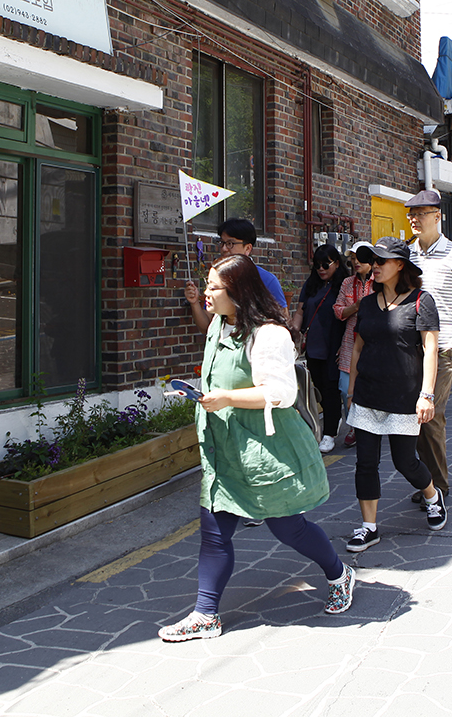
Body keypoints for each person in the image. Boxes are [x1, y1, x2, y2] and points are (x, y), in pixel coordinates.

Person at [158, 255, 352, 641]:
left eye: (214, 286)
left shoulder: (269, 335)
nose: (207, 292)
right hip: (224, 446)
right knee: (214, 532)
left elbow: (281, 392)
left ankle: (338, 573)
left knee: (288, 528)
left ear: (238, 291)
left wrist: (227, 397)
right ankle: (205, 614)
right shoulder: (218, 324)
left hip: (265, 448)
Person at [345, 237, 445, 550]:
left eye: (381, 261)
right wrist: (350, 391)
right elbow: (358, 346)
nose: (373, 266)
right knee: (365, 463)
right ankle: (369, 526)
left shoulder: (421, 301)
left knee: (405, 462)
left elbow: (430, 349)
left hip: (405, 395)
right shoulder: (365, 305)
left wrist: (426, 394)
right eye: (372, 261)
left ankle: (432, 495)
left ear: (400, 265)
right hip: (368, 393)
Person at [404, 189, 452, 509]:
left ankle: (439, 486)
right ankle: (426, 481)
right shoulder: (407, 254)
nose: (414, 219)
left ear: (437, 216)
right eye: (411, 214)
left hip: (444, 347)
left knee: (431, 414)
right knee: (414, 416)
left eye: (420, 213)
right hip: (410, 345)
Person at [289, 244, 348, 452]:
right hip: (313, 345)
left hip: (335, 344)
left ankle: (330, 433)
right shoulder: (311, 284)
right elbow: (300, 310)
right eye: (317, 265)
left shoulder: (344, 285)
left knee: (332, 389)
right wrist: (294, 330)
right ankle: (334, 421)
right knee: (321, 389)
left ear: (337, 263)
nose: (321, 269)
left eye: (325, 264)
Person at [184, 218, 286, 334]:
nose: (224, 249)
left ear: (247, 248)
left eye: (230, 244)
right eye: (222, 242)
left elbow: (282, 323)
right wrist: (194, 302)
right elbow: (207, 327)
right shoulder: (218, 277)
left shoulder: (267, 280)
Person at [332, 241, 377, 449]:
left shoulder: (380, 281)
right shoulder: (347, 283)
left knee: (373, 385)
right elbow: (339, 311)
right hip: (350, 341)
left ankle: (370, 425)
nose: (355, 261)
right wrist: (356, 307)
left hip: (375, 342)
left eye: (359, 257)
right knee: (344, 387)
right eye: (352, 258)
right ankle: (354, 426)